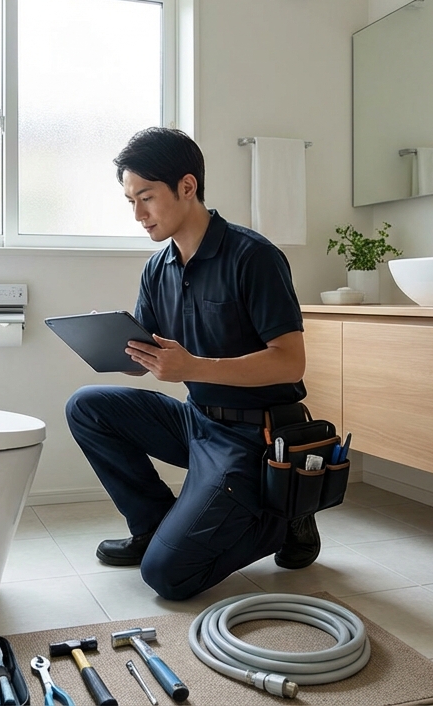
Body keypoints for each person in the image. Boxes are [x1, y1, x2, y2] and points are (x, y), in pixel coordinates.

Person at [64, 127, 320, 601]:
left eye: (146, 197)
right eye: (129, 202)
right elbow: (152, 362)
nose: (139, 215)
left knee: (168, 578)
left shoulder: (254, 257)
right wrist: (115, 344)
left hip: (254, 436)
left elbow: (290, 363)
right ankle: (154, 527)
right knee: (87, 406)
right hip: (197, 421)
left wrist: (193, 367)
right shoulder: (158, 268)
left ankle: (284, 519)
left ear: (187, 186)